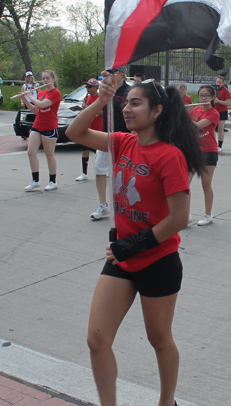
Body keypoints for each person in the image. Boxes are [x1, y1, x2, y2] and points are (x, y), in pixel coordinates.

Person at [66, 74, 204, 406]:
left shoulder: (169, 156)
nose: (127, 108)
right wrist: (100, 100)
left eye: (135, 102)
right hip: (121, 259)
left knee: (159, 339)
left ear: (156, 112)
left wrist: (138, 243)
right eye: (125, 102)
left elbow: (179, 217)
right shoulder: (123, 142)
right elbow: (74, 133)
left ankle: (166, 401)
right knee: (96, 340)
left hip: (158, 260)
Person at [91, 65, 130, 220]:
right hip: (106, 136)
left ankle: (125, 205)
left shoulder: (129, 91)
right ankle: (103, 205)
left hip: (124, 137)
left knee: (123, 175)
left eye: (112, 73)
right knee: (99, 170)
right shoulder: (106, 90)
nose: (109, 75)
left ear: (121, 74)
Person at [21, 70, 61, 191]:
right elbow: (36, 110)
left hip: (50, 126)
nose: (45, 81)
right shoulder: (42, 93)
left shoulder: (56, 93)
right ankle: (35, 180)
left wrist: (31, 95)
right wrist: (25, 98)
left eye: (47, 78)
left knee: (49, 154)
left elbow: (43, 105)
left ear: (53, 79)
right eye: (43, 78)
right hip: (37, 125)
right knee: (31, 152)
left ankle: (53, 181)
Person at [189, 85, 220, 226]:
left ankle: (208, 215)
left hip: (209, 151)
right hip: (194, 151)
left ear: (213, 97)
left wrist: (181, 116)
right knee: (183, 184)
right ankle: (185, 214)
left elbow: (196, 126)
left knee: (205, 184)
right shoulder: (194, 110)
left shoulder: (214, 113)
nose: (203, 98)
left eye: (207, 95)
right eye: (201, 95)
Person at [76, 78, 103, 182]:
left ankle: (104, 169)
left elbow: (104, 112)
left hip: (98, 128)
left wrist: (91, 108)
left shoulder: (100, 98)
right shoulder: (87, 97)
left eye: (90, 87)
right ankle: (84, 173)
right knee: (84, 149)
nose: (88, 89)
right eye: (87, 86)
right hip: (88, 127)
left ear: (97, 87)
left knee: (99, 151)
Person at [15, 72, 40, 139]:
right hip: (28, 102)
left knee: (35, 115)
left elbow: (39, 93)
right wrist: (22, 102)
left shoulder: (36, 85)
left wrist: (38, 101)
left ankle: (36, 130)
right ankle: (25, 132)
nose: (30, 78)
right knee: (27, 116)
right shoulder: (24, 86)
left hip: (34, 101)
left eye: (31, 77)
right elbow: (22, 94)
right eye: (28, 77)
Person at [214, 76, 231, 150]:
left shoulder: (225, 91)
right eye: (217, 82)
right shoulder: (214, 90)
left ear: (223, 83)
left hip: (222, 111)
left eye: (220, 82)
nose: (218, 83)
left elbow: (227, 102)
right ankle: (213, 144)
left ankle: (220, 145)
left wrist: (218, 101)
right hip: (214, 111)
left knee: (220, 129)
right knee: (212, 129)